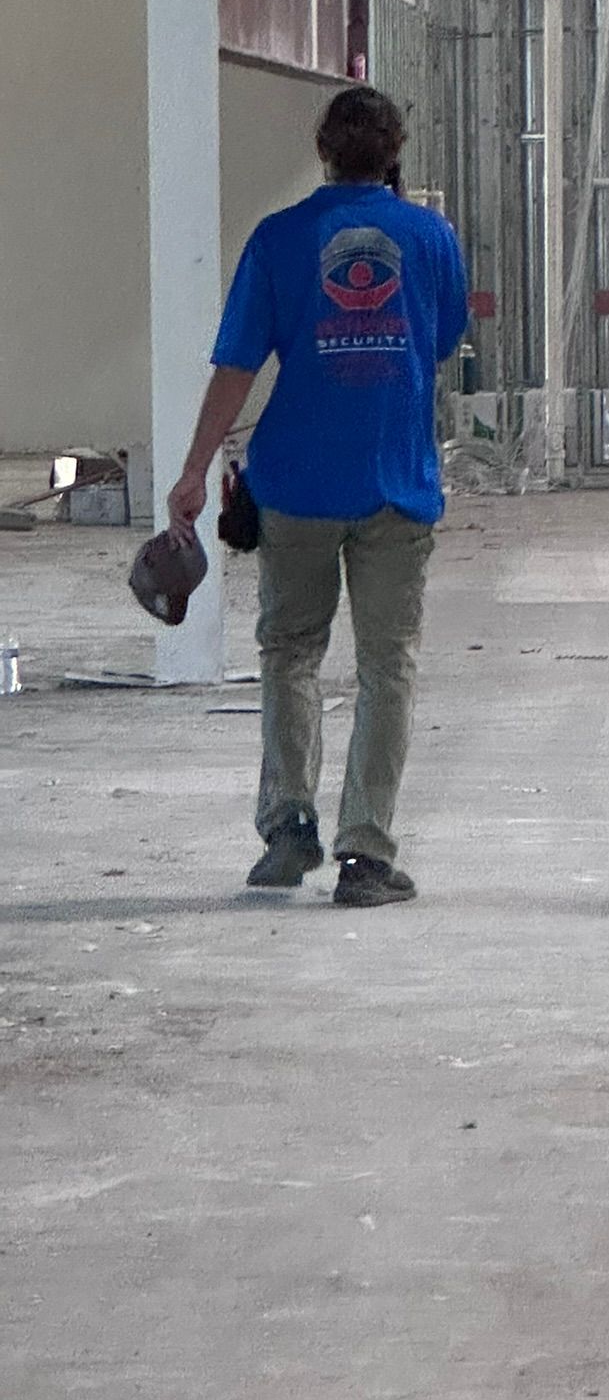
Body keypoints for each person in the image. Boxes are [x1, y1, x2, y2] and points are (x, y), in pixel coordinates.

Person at [168, 86, 468, 908]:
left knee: (290, 653)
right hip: (395, 487)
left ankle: (290, 825)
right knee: (387, 667)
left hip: (295, 486)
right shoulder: (431, 238)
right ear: (395, 152)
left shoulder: (278, 241)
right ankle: (365, 854)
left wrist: (196, 470)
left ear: (322, 148)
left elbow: (237, 365)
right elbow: (440, 341)